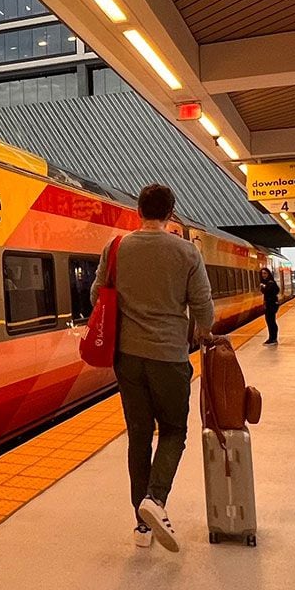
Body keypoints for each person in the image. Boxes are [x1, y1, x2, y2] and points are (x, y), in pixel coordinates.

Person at [96, 183, 214, 552]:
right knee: (174, 431)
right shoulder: (187, 252)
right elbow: (203, 308)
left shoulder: (116, 248)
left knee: (139, 437)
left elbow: (97, 295)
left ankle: (141, 529)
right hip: (169, 358)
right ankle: (156, 500)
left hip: (127, 358)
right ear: (170, 213)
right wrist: (203, 334)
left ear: (138, 210)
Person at [260, 267, 282, 345]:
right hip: (270, 305)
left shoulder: (270, 283)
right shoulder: (268, 283)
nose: (263, 275)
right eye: (262, 273)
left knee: (271, 321)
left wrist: (263, 287)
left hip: (271, 305)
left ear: (268, 274)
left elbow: (269, 292)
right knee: (270, 321)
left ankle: (273, 339)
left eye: (265, 273)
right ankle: (272, 338)